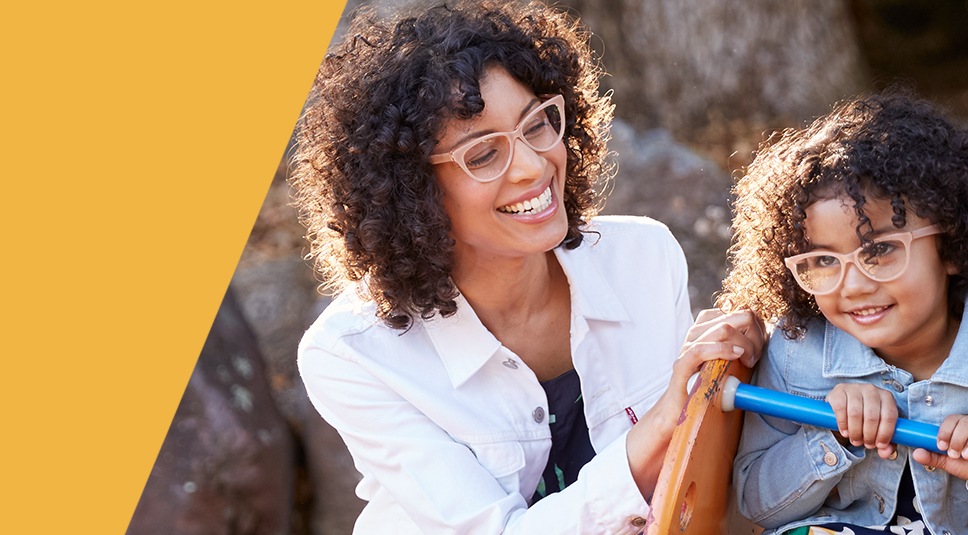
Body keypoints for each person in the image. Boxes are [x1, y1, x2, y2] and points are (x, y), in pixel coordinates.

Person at [290, 1, 763, 533]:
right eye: (484, 155)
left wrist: (740, 367)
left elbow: (695, 487)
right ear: (410, 191)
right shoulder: (353, 353)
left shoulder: (643, 259)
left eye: (537, 125)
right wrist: (655, 432)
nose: (535, 166)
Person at [719, 91, 968, 535]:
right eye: (821, 261)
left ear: (951, 246)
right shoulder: (793, 355)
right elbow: (755, 507)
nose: (853, 285)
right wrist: (829, 436)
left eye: (879, 251)